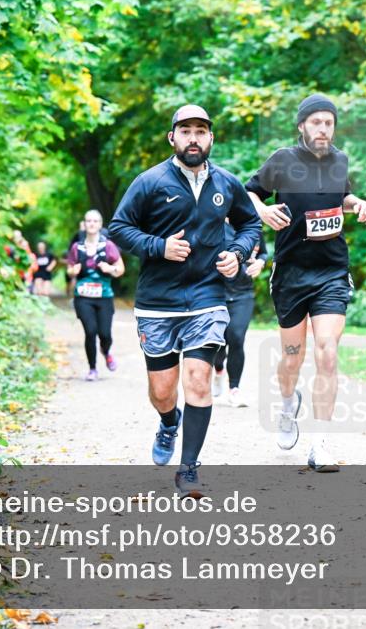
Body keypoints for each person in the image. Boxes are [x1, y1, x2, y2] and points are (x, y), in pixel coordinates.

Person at [109, 104, 261, 498]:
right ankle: (167, 421)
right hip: (157, 301)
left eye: (201, 131)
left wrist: (238, 253)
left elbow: (250, 223)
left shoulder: (227, 183)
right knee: (163, 390)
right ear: (172, 137)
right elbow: (119, 227)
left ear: (211, 138)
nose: (194, 138)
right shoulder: (150, 181)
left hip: (208, 297)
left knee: (199, 381)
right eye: (186, 131)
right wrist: (158, 246)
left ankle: (189, 469)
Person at [245, 93, 366, 472]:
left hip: (331, 270)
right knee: (291, 359)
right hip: (290, 273)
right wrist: (263, 210)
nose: (323, 129)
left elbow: (343, 196)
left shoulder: (340, 160)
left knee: (327, 350)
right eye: (316, 122)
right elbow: (248, 192)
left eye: (329, 122)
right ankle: (288, 404)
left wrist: (358, 203)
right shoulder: (283, 160)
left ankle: (321, 443)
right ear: (302, 125)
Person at [212, 223, 267, 408]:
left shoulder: (254, 227)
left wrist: (260, 262)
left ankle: (234, 389)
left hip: (243, 294)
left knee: (236, 336)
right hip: (216, 293)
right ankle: (218, 370)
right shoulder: (215, 222)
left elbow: (263, 253)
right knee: (219, 341)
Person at [66, 210, 124, 382]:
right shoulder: (77, 247)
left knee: (105, 334)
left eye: (95, 221)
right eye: (88, 221)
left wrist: (111, 269)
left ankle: (106, 352)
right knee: (90, 331)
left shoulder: (108, 246)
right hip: (83, 297)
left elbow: (120, 269)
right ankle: (92, 369)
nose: (91, 223)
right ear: (84, 224)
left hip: (104, 296)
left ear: (100, 224)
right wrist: (73, 271)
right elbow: (69, 269)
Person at [66, 220, 87, 299]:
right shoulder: (78, 234)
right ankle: (75, 296)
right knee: (75, 277)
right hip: (78, 259)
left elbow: (70, 247)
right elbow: (71, 247)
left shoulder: (88, 234)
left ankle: (77, 296)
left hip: (85, 258)